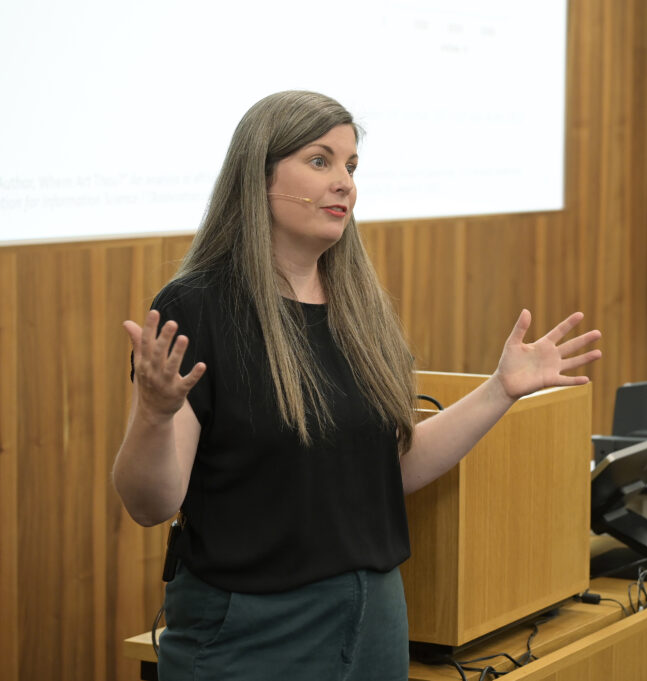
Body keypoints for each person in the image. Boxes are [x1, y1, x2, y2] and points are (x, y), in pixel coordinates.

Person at [111, 90, 601, 681]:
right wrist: (156, 415)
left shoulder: (358, 308)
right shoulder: (196, 308)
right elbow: (150, 504)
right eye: (320, 161)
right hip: (251, 629)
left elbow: (385, 474)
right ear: (256, 176)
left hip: (375, 618)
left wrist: (500, 390)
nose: (344, 182)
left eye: (351, 166)